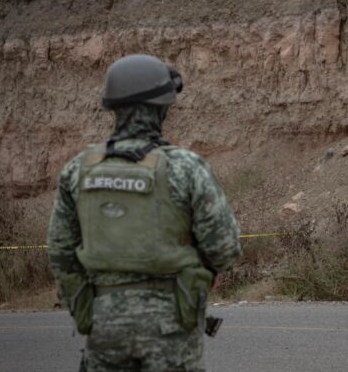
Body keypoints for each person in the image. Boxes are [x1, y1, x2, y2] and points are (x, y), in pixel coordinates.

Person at [47, 54, 241, 371]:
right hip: (172, 324)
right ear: (161, 107)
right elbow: (225, 247)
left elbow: (60, 253)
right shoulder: (185, 167)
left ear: (113, 106)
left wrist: (87, 306)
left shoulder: (78, 170)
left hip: (104, 324)